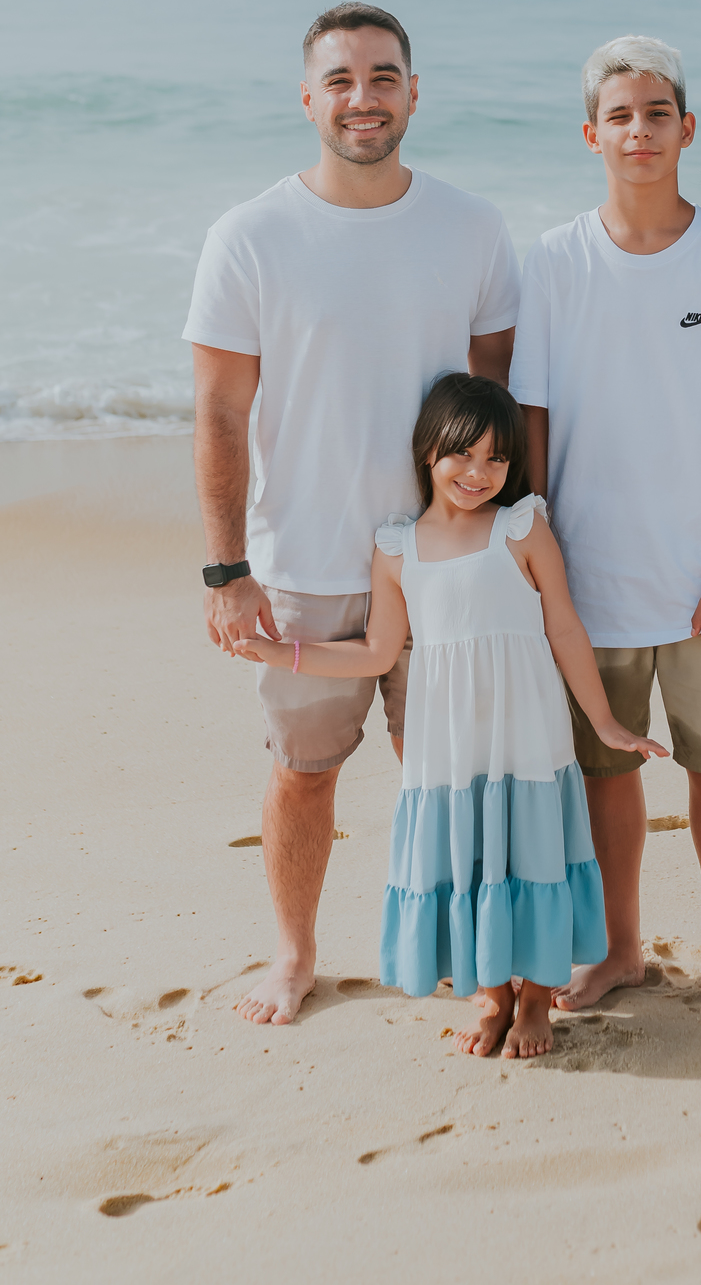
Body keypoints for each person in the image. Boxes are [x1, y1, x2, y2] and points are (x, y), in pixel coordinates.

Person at [182, 2, 521, 1027]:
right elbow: (220, 412)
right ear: (308, 99)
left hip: (442, 564)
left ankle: (471, 953)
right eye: (340, 79)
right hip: (305, 565)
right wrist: (226, 571)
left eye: (382, 77)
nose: (362, 97)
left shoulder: (473, 227)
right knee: (304, 775)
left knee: (451, 776)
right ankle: (293, 954)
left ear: (414, 93)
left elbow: (499, 404)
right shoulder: (249, 236)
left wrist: (507, 547)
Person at [235, 373, 665, 1057]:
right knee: (470, 861)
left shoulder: (522, 527)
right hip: (450, 745)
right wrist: (280, 652)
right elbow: (376, 653)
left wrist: (606, 723)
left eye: (496, 458)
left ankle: (535, 1003)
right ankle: (494, 997)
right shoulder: (397, 547)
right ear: (427, 450)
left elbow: (564, 628)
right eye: (463, 453)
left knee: (533, 857)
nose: (478, 472)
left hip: (527, 736)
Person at [510, 35, 701, 1018]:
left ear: (686, 129)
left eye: (657, 113)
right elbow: (534, 420)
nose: (639, 130)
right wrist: (543, 565)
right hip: (590, 576)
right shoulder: (553, 261)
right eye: (619, 115)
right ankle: (622, 948)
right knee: (607, 767)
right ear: (592, 134)